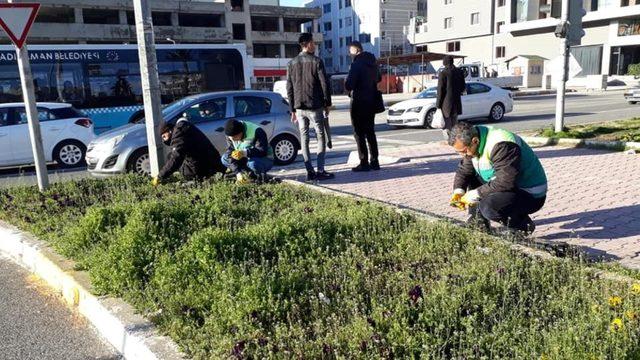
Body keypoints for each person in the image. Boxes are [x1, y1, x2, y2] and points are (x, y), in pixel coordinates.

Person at [448, 122, 547, 235]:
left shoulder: (502, 144)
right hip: (510, 186)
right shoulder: (474, 140)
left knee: (489, 207)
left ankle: (523, 226)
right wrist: (458, 191)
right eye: (459, 152)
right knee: (472, 177)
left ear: (475, 141)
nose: (463, 155)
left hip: (530, 193)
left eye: (464, 151)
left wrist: (475, 193)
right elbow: (464, 170)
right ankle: (478, 222)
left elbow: (505, 181)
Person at [286, 32, 334, 182]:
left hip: (299, 108)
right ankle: (320, 170)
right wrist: (327, 103)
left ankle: (310, 171)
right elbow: (324, 83)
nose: (315, 45)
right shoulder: (316, 61)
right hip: (315, 106)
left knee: (304, 138)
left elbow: (289, 88)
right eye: (313, 43)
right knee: (320, 136)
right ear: (307, 44)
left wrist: (292, 109)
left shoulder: (291, 63)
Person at [152, 116, 226, 185]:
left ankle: (194, 179)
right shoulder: (184, 128)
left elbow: (176, 158)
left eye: (164, 136)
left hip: (204, 167)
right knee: (171, 156)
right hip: (211, 161)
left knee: (173, 159)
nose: (164, 140)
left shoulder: (178, 134)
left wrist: (160, 176)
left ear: (170, 131)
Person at [345, 41, 381, 172]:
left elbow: (349, 84)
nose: (350, 54)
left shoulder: (356, 64)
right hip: (371, 101)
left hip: (359, 102)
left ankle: (364, 161)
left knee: (359, 133)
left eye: (350, 51)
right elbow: (379, 78)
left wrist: (348, 84)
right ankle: (375, 161)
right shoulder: (373, 62)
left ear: (356, 50)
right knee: (370, 132)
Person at [221, 119, 273, 183]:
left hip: (265, 159)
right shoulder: (230, 135)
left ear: (241, 132)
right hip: (246, 159)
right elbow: (230, 151)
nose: (234, 140)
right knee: (225, 158)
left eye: (235, 138)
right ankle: (246, 174)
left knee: (253, 163)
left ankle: (261, 178)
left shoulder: (257, 131)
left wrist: (244, 153)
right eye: (231, 138)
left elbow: (262, 151)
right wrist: (238, 173)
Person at [436, 55, 466, 135]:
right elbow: (463, 87)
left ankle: (450, 141)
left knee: (447, 125)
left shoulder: (443, 73)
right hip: (457, 102)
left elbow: (440, 90)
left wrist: (438, 105)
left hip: (446, 104)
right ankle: (456, 141)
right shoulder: (459, 72)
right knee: (455, 124)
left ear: (444, 63)